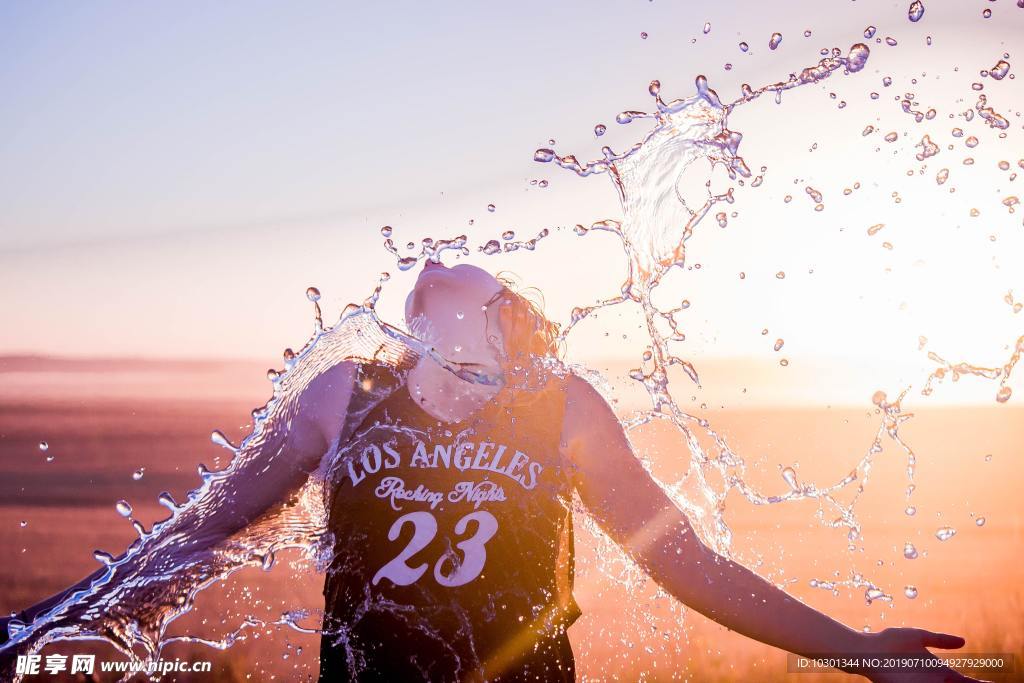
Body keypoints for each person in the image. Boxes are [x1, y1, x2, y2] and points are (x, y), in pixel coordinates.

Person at [2, 260, 980, 683]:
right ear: (415, 318)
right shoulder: (344, 391)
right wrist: (39, 629)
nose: (443, 276)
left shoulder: (560, 406)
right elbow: (201, 533)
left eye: (486, 289)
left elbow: (679, 557)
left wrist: (860, 647)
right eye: (430, 285)